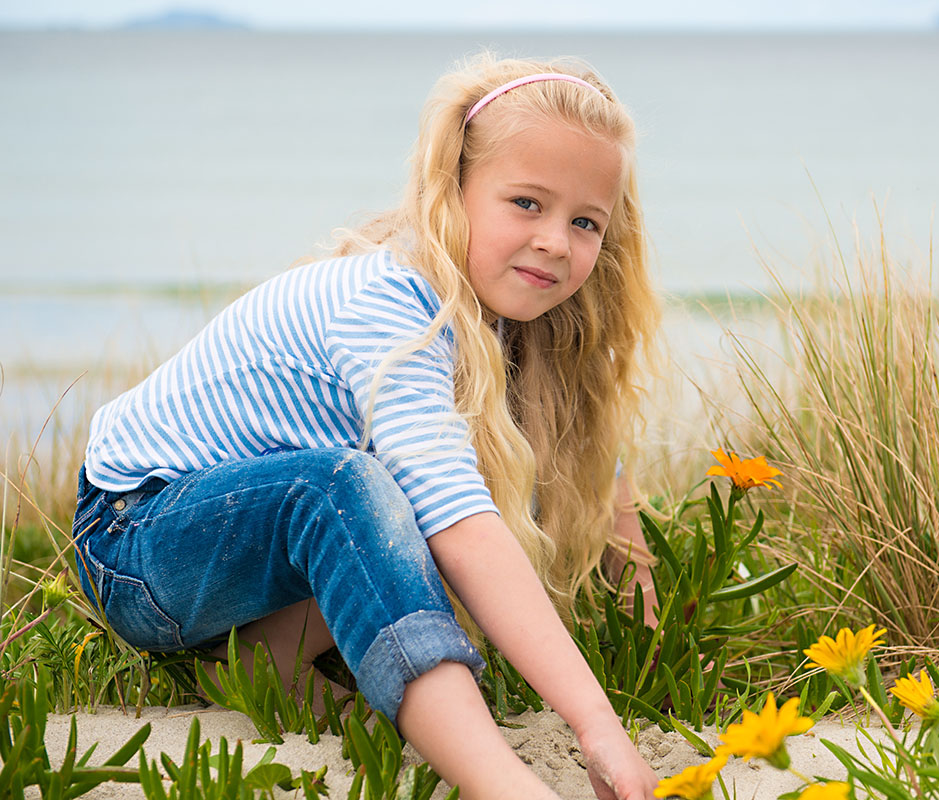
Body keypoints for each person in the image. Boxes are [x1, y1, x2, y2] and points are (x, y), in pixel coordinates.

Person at [71, 53, 663, 800]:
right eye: (526, 203)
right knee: (352, 487)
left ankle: (261, 666)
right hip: (138, 537)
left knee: (432, 476)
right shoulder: (389, 301)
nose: (556, 240)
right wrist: (596, 726)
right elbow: (460, 523)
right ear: (452, 191)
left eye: (585, 222)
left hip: (237, 546)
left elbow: (600, 475)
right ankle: (502, 786)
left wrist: (649, 640)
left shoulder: (506, 325)